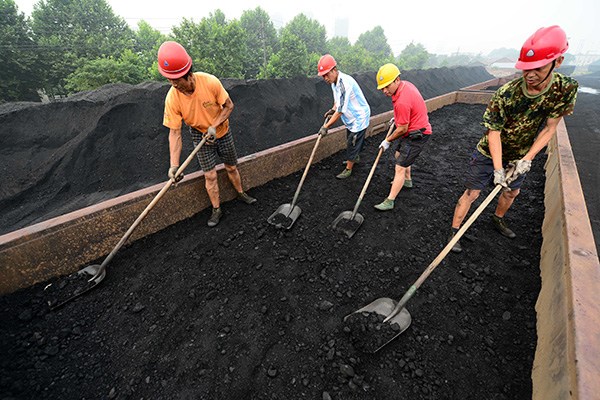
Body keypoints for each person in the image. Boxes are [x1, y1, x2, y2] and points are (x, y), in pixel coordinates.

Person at [449, 25, 578, 253]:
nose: (530, 75)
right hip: (489, 152)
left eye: (538, 68)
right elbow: (494, 131)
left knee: (511, 192)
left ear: (557, 62)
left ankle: (498, 218)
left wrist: (527, 159)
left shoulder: (563, 89)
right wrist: (498, 169)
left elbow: (550, 128)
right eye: (526, 68)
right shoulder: (507, 93)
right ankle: (454, 231)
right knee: (473, 192)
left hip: (521, 154)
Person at [157, 41, 256, 228]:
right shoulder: (172, 98)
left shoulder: (210, 82)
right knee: (210, 175)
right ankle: (217, 209)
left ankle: (241, 193)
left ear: (188, 75)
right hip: (199, 134)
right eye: (170, 80)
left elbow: (229, 106)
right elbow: (175, 133)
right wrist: (174, 166)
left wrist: (214, 125)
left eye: (177, 80)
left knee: (231, 167)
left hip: (223, 131)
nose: (173, 84)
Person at [373, 63, 432, 211]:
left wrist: (387, 140)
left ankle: (390, 200)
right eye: (382, 88)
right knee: (399, 154)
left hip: (417, 133)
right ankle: (407, 180)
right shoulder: (405, 86)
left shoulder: (401, 101)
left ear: (397, 80)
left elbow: (402, 129)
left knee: (400, 166)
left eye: (387, 86)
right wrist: (398, 118)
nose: (385, 91)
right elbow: (408, 111)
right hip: (412, 128)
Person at [317, 54, 371, 179]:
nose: (325, 78)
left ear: (334, 70)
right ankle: (354, 157)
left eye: (327, 74)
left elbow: (341, 110)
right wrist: (332, 110)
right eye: (323, 75)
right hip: (350, 117)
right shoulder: (333, 83)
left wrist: (326, 126)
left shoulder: (344, 83)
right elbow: (338, 102)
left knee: (352, 142)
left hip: (359, 117)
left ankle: (348, 168)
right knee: (352, 139)